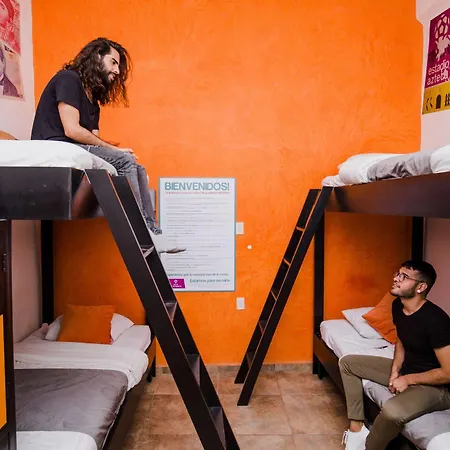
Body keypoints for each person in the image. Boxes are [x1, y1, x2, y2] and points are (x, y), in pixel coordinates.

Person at [31, 37, 184, 254]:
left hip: (74, 147)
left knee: (137, 168)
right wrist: (116, 152)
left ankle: (153, 233)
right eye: (113, 62)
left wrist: (115, 153)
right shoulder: (68, 79)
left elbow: (94, 140)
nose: (117, 71)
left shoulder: (93, 99)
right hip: (57, 145)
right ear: (96, 56)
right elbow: (72, 130)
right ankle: (142, 233)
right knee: (125, 160)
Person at [340, 260, 450, 450]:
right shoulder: (397, 306)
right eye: (397, 274)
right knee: (348, 363)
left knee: (391, 411)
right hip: (408, 369)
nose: (396, 279)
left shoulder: (436, 321)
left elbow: (448, 373)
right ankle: (357, 430)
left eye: (404, 277)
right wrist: (395, 371)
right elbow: (401, 340)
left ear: (421, 287)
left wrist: (406, 380)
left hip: (437, 387)